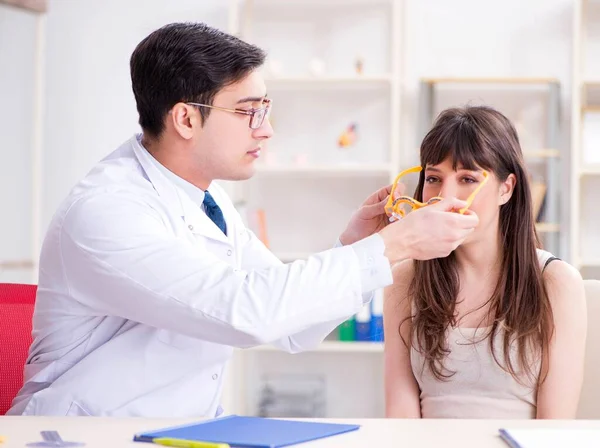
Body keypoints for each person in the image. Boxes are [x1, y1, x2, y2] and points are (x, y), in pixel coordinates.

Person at [8, 22, 479, 417]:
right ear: (186, 120)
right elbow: (245, 313)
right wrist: (394, 245)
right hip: (80, 437)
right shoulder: (107, 213)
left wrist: (352, 244)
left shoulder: (206, 202)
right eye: (248, 112)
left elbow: (291, 326)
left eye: (265, 109)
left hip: (174, 432)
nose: (266, 129)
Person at [383, 105, 587, 419]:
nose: (445, 196)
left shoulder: (556, 282)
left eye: (467, 179)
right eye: (434, 179)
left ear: (506, 188)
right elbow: (400, 419)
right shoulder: (405, 279)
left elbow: (554, 430)